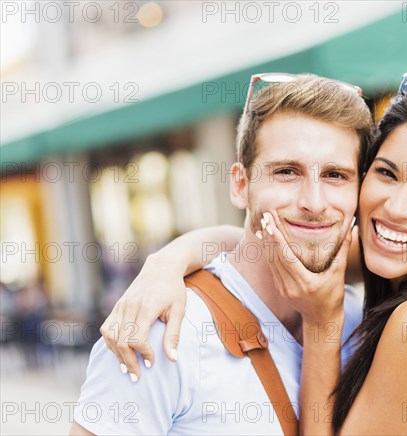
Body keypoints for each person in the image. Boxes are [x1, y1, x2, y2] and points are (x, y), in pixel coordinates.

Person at [100, 74, 407, 435]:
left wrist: (322, 323)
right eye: (386, 174)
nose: (398, 208)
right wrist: (168, 262)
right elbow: (269, 240)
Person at [70, 73, 374, 435]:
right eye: (286, 172)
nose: (313, 202)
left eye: (335, 175)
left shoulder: (362, 323)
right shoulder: (162, 333)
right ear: (241, 185)